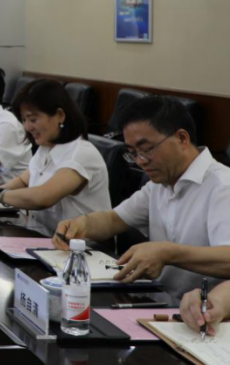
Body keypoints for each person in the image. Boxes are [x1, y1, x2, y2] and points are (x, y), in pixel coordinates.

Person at [53, 96, 230, 297]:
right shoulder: (159, 184)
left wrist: (169, 253)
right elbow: (114, 220)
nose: (140, 161)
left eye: (146, 149)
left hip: (203, 309)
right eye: (133, 153)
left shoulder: (222, 186)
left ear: (182, 138)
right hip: (156, 299)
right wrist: (82, 224)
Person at [0, 79, 111, 233]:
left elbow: (43, 197)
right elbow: (24, 180)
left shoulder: (81, 154)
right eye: (24, 120)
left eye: (33, 119)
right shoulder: (46, 146)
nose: (27, 127)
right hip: (44, 235)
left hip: (80, 245)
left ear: (60, 115)